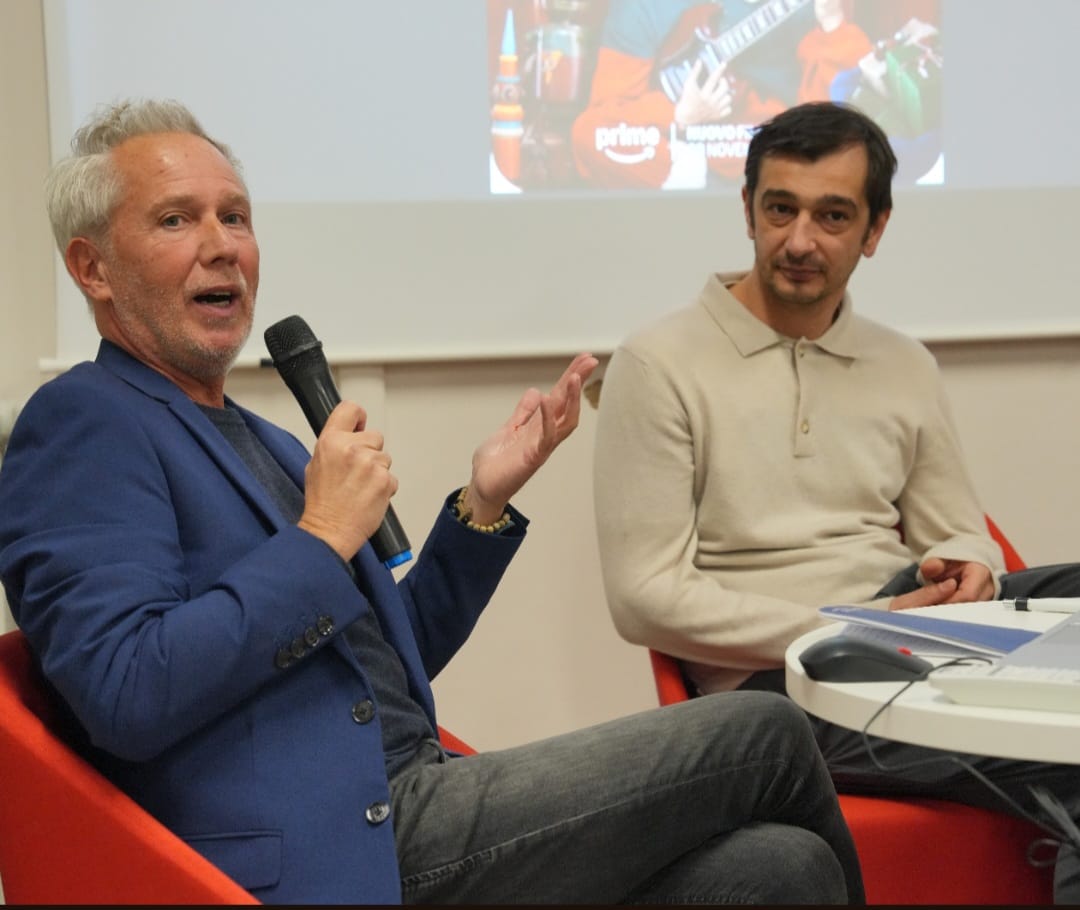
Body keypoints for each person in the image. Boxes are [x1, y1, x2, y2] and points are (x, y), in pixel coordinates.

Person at [0, 99, 864, 905]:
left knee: (782, 868)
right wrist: (320, 536)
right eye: (176, 220)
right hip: (333, 843)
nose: (222, 246)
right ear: (92, 268)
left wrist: (482, 504)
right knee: (765, 731)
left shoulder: (265, 441)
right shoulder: (85, 422)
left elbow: (385, 661)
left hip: (417, 796)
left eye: (236, 216)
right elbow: (125, 691)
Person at [593, 100, 1080, 902]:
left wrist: (969, 569)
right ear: (747, 210)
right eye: (779, 209)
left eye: (832, 216)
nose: (799, 241)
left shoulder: (904, 363)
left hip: (909, 633)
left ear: (874, 229)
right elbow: (643, 598)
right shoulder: (657, 363)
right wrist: (853, 625)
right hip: (783, 685)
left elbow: (960, 533)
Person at [570, 0, 870, 189]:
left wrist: (832, 24)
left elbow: (832, 114)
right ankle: (702, 186)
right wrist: (679, 116)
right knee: (587, 133)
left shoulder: (810, 10)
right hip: (668, 154)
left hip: (764, 150)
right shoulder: (641, 8)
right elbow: (605, 119)